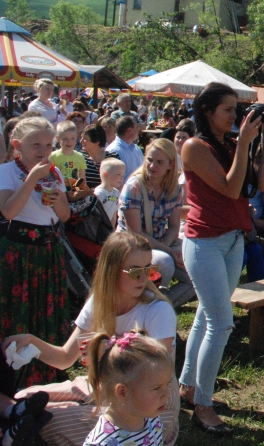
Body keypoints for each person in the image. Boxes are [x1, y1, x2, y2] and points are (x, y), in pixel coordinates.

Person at [5, 232, 180, 445]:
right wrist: (31, 341)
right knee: (24, 397)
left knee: (46, 419)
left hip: (146, 404)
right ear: (111, 270)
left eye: (148, 269)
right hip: (107, 389)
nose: (144, 278)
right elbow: (65, 358)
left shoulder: (158, 310)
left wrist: (106, 355)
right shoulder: (100, 301)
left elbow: (155, 374)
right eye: (135, 271)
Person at [178, 82, 264, 434]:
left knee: (205, 317)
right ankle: (203, 406)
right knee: (221, 323)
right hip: (205, 242)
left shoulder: (233, 144)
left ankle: (189, 387)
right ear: (208, 111)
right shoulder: (194, 147)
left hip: (233, 240)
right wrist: (246, 143)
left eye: (237, 109)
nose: (236, 116)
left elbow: (261, 184)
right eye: (229, 110)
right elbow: (231, 189)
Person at [0, 117, 70, 386]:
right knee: (21, 309)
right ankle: (16, 374)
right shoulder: (7, 171)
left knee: (45, 308)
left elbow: (64, 215)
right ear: (18, 145)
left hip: (48, 250)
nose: (43, 151)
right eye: (36, 145)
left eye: (49, 145)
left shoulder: (55, 172)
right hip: (20, 252)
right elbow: (8, 211)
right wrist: (31, 179)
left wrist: (58, 201)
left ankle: (46, 369)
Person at [117, 139, 193, 309]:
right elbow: (136, 234)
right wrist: (168, 250)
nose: (152, 166)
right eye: (150, 160)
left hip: (160, 241)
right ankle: (147, 306)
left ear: (171, 165)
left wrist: (166, 245)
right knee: (164, 261)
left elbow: (174, 225)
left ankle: (157, 306)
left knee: (197, 271)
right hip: (132, 246)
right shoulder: (135, 186)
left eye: (159, 162)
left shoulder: (173, 188)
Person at [82, 332, 172, 446]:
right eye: (157, 388)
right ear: (123, 392)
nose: (166, 394)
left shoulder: (150, 418)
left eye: (167, 384)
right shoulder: (103, 442)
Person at [95, 158, 126, 223]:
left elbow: (114, 214)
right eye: (118, 174)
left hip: (108, 227)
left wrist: (112, 228)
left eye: (123, 175)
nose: (121, 178)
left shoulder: (116, 193)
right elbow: (95, 215)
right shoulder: (98, 193)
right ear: (106, 174)